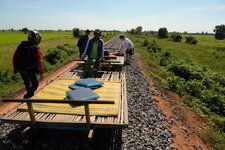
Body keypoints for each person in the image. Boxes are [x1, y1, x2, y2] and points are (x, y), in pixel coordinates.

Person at [13, 30, 43, 99]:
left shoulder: (20, 45)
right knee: (35, 84)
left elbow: (15, 57)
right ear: (37, 38)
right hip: (30, 70)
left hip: (20, 69)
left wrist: (15, 68)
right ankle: (27, 97)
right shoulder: (36, 48)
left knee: (27, 82)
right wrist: (41, 71)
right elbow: (39, 61)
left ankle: (30, 96)